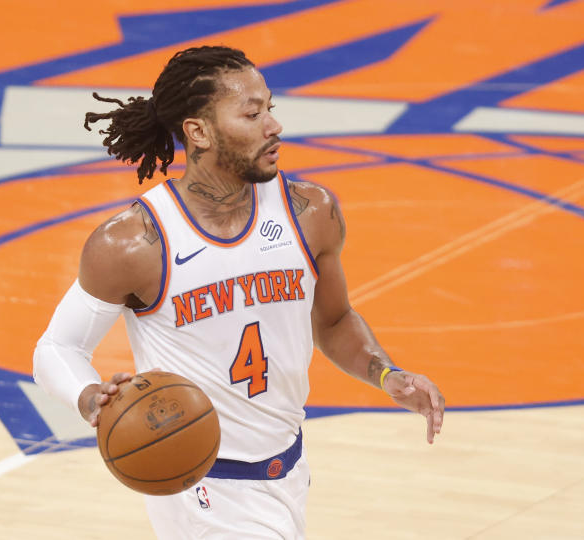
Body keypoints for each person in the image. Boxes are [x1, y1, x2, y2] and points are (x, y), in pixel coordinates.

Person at [33, 45, 444, 539]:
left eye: (270, 108)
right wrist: (90, 397)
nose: (273, 126)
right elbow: (57, 348)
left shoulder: (310, 212)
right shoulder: (134, 244)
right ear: (199, 132)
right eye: (252, 113)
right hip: (200, 484)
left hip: (287, 467)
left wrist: (386, 374)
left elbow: (333, 322)